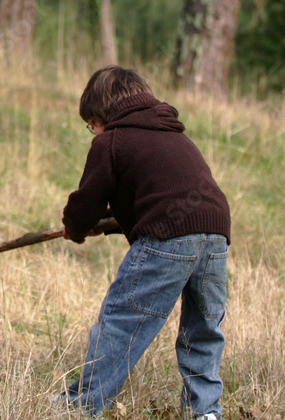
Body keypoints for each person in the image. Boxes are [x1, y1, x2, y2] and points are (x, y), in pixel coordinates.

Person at [58, 66, 231, 419]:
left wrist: (75, 228)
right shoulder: (174, 134)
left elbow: (88, 202)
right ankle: (206, 410)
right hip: (215, 229)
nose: (92, 131)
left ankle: (84, 403)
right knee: (203, 325)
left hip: (168, 235)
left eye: (90, 124)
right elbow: (150, 198)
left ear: (101, 114)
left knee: (124, 320)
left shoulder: (112, 140)